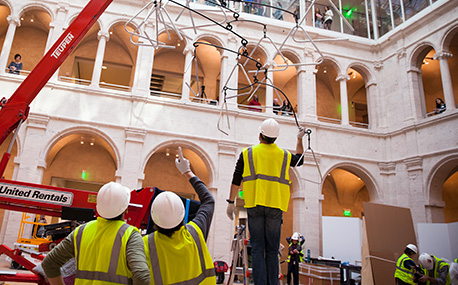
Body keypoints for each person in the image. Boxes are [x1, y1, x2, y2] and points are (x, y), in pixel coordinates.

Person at [226, 118, 305, 285]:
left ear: (260, 135)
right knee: (272, 249)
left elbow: (236, 178)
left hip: (254, 204)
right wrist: (299, 139)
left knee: (257, 248)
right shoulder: (283, 155)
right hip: (275, 206)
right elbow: (300, 159)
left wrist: (230, 202)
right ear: (275, 138)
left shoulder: (247, 153)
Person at [39, 181, 150, 285]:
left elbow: (49, 263)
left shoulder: (81, 231)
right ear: (126, 209)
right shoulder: (130, 235)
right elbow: (141, 276)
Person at [144, 147, 216, 284]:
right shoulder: (195, 232)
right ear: (183, 215)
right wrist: (188, 172)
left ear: (153, 218)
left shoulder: (147, 244)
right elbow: (209, 201)